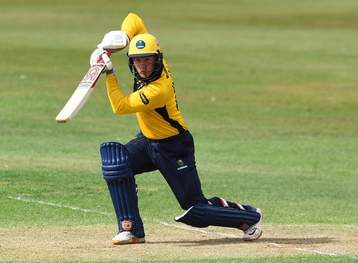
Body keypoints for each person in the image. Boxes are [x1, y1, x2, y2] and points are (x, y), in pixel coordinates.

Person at [90, 13, 262, 245]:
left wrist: (109, 73)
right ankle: (131, 230)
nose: (143, 66)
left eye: (148, 60)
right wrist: (118, 40)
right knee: (117, 164)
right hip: (147, 142)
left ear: (157, 59)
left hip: (174, 147)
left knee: (195, 209)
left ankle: (249, 217)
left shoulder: (157, 90)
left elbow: (119, 106)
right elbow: (134, 19)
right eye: (138, 61)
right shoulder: (149, 60)